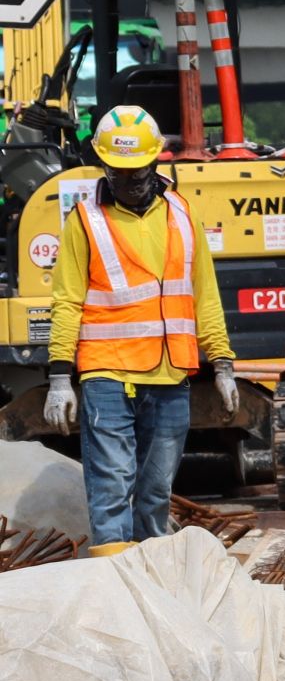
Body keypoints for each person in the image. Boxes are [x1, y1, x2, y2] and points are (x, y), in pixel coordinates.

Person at [44, 106, 237, 557]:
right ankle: (114, 582)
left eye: (137, 169)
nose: (129, 179)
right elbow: (67, 301)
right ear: (104, 166)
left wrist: (224, 363)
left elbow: (204, 295)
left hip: (170, 375)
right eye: (118, 170)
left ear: (156, 162)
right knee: (111, 487)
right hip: (108, 375)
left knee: (154, 492)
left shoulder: (182, 215)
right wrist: (58, 376)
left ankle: (151, 577)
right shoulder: (85, 221)